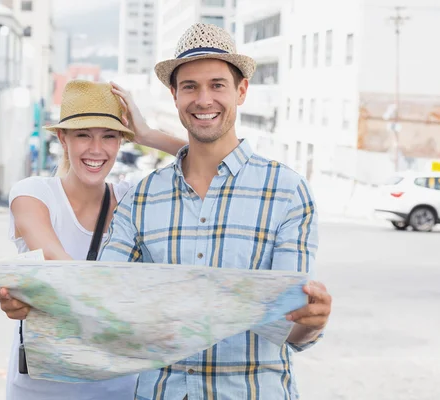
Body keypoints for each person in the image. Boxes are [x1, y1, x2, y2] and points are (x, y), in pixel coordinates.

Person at [97, 23, 332, 399]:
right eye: (189, 86)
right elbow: (102, 299)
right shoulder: (141, 198)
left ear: (241, 91)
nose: (203, 99)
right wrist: (36, 300)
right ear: (174, 95)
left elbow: (290, 327)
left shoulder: (286, 193)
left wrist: (311, 323)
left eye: (217, 85)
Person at [0, 79, 186, 400]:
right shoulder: (33, 194)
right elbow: (62, 269)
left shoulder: (129, 197)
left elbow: (210, 165)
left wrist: (148, 135)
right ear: (62, 138)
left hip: (117, 388)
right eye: (83, 135)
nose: (96, 150)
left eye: (109, 136)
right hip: (42, 387)